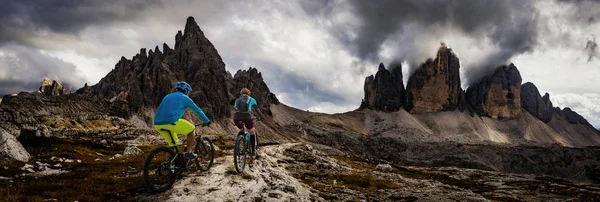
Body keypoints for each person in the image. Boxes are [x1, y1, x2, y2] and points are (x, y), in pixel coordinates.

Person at [154, 81, 210, 159]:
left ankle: (166, 166)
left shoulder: (167, 96)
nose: (188, 93)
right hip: (171, 122)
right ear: (186, 90)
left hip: (157, 124)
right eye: (188, 91)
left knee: (172, 144)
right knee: (191, 129)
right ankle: (189, 153)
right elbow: (197, 110)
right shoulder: (185, 98)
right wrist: (206, 120)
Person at [233, 88, 258, 156]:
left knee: (242, 130)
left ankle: (237, 147)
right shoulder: (252, 99)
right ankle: (253, 150)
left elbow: (235, 107)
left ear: (241, 93)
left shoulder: (237, 100)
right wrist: (258, 117)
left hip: (237, 117)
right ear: (249, 93)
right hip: (247, 117)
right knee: (252, 132)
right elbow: (256, 108)